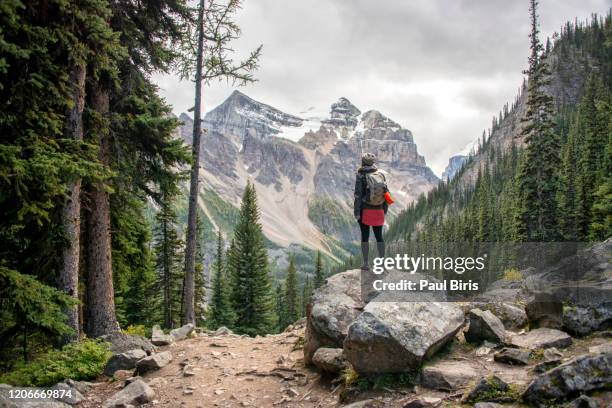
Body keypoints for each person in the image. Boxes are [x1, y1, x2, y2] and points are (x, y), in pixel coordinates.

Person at [354, 152, 388, 270]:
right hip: (379, 210)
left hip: (365, 211)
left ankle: (366, 264)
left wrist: (357, 213)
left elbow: (358, 195)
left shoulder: (360, 175)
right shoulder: (380, 174)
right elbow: (386, 194)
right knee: (379, 237)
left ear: (362, 162)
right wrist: (384, 210)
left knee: (365, 237)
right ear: (373, 163)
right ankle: (382, 264)